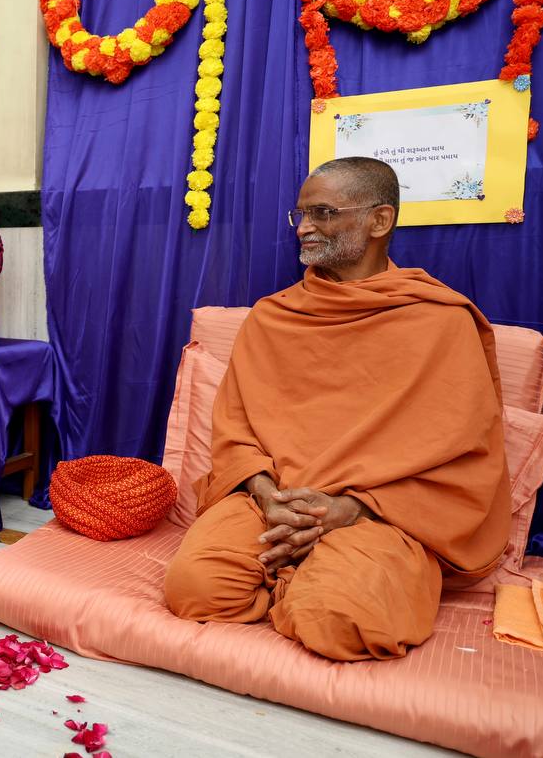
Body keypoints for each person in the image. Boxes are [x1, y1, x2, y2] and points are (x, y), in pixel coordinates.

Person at [164, 156, 511, 661]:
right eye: (301, 214)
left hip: (382, 514)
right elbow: (235, 430)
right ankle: (299, 571)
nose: (303, 228)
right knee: (196, 590)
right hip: (272, 501)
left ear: (379, 220)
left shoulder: (440, 321)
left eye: (322, 213)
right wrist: (267, 495)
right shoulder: (273, 316)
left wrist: (351, 510)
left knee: (340, 622)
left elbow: (463, 454)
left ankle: (311, 578)